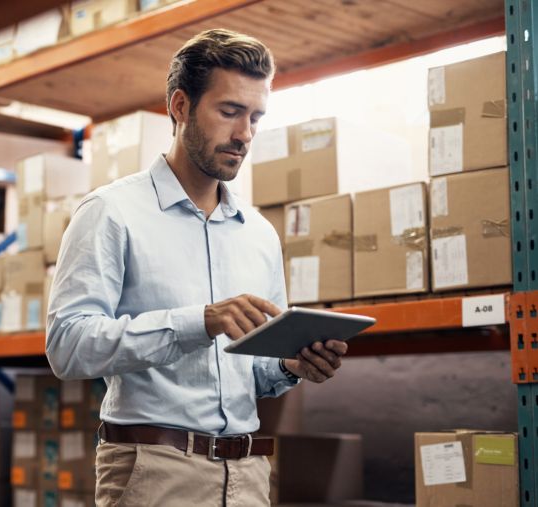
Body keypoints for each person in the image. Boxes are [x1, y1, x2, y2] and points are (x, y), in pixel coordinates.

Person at [45, 29, 349, 506]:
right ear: (181, 106)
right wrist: (199, 321)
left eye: (255, 117)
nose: (244, 134)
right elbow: (67, 347)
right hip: (155, 472)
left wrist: (291, 364)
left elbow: (254, 371)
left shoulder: (259, 233)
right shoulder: (111, 212)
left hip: (248, 475)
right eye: (229, 112)